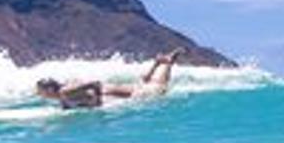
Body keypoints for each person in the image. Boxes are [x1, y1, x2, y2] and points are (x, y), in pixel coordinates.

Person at [34, 50, 181, 110]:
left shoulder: (65, 91)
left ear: (49, 89)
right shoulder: (62, 96)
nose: (38, 93)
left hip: (115, 92)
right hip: (114, 93)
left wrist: (97, 102)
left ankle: (167, 63)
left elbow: (95, 83)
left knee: (158, 89)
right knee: (146, 85)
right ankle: (157, 63)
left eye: (40, 90)